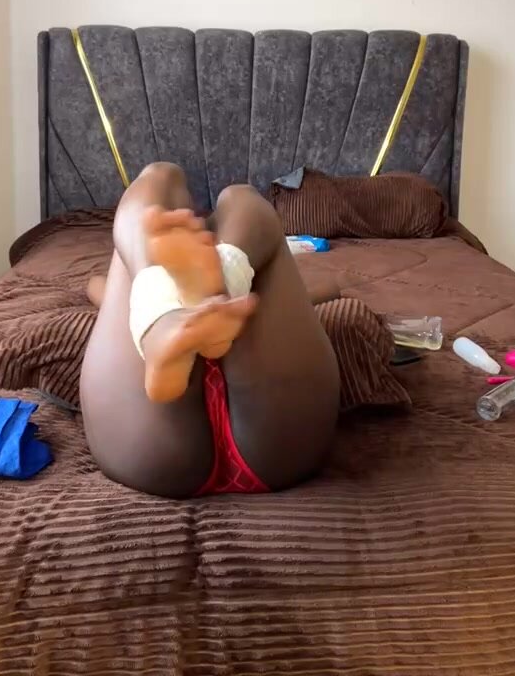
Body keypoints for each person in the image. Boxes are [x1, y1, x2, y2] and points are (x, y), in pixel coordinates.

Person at [80, 162, 340, 498]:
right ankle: (223, 279)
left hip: (143, 444)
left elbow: (97, 289)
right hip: (285, 436)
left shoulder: (163, 248)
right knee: (242, 197)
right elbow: (331, 287)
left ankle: (156, 308)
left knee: (160, 176)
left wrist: (116, 292)